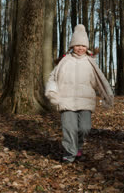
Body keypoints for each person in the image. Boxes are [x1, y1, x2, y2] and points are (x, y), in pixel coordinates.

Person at [45, 24, 114, 163]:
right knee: (69, 128)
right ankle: (69, 154)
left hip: (85, 102)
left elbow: (100, 81)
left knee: (85, 128)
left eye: (83, 45)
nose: (80, 48)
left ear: (86, 47)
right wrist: (52, 92)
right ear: (72, 46)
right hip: (66, 100)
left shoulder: (90, 62)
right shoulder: (64, 61)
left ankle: (78, 147)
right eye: (77, 45)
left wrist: (107, 95)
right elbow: (53, 77)